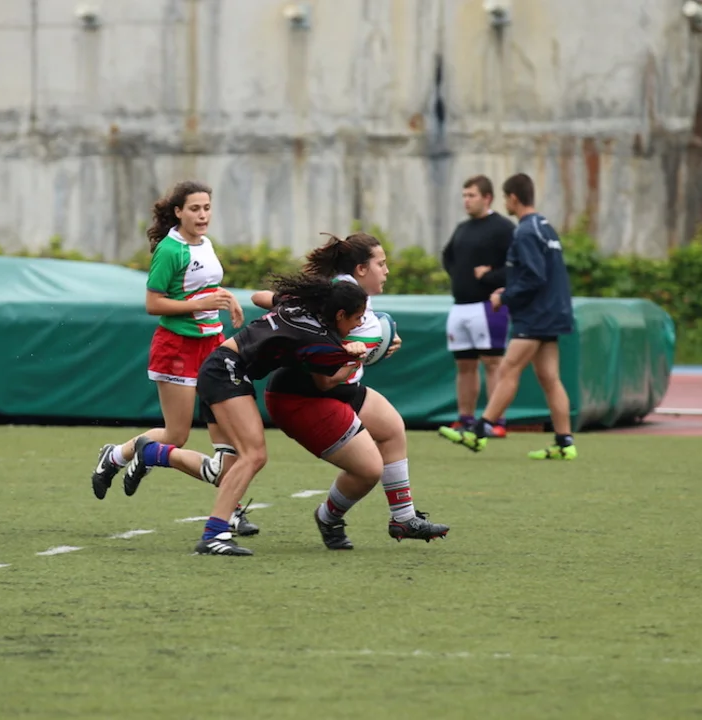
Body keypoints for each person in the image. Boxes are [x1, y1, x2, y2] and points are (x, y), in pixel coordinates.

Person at [127, 273, 371, 556]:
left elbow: (258, 297)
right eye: (357, 318)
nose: (359, 324)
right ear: (339, 314)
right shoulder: (322, 341)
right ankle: (214, 534)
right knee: (254, 455)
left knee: (225, 470)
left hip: (220, 366)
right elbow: (327, 382)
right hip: (227, 372)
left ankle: (152, 452)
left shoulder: (299, 305)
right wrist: (353, 358)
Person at [252, 233, 450, 549]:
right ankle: (328, 517)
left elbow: (362, 339)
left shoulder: (354, 296)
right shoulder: (336, 296)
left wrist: (383, 343)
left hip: (338, 386)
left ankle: (403, 518)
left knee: (392, 429)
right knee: (368, 469)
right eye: (381, 264)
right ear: (361, 269)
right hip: (303, 395)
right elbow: (324, 377)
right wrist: (351, 350)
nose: (387, 270)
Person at [88, 181, 258, 534]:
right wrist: (201, 304)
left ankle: (231, 510)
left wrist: (228, 299)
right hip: (178, 347)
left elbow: (203, 286)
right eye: (195, 209)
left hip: (212, 346)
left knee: (228, 438)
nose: (203, 215)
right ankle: (115, 456)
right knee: (176, 435)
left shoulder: (205, 243)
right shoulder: (169, 249)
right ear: (178, 212)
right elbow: (154, 304)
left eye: (207, 208)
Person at [438, 173, 577, 460]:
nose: (505, 203)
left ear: (513, 198)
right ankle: (565, 443)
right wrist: (509, 287)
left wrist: (505, 296)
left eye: (505, 198)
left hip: (535, 315)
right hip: (553, 312)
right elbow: (538, 273)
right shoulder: (545, 227)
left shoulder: (525, 231)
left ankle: (479, 431)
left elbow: (534, 277)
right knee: (549, 377)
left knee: (507, 369)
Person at [442, 175, 516, 436]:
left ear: (487, 198)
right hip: (460, 306)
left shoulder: (503, 228)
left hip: (488, 307)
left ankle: (495, 421)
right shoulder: (462, 228)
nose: (466, 200)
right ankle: (465, 418)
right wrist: (461, 278)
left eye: (471, 195)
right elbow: (448, 257)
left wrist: (490, 277)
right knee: (464, 365)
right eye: (464, 195)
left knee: (493, 363)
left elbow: (516, 267)